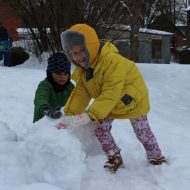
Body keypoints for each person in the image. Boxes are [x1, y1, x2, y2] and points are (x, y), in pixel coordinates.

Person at [60, 24, 166, 173]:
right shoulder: (84, 69)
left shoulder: (111, 61)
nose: (79, 56)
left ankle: (156, 157)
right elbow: (80, 94)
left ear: (91, 46)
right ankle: (114, 156)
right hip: (109, 103)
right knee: (100, 129)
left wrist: (90, 115)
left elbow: (110, 93)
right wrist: (69, 115)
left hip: (133, 99)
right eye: (74, 53)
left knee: (142, 133)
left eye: (83, 50)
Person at [33, 52, 74, 123]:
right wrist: (46, 109)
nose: (62, 77)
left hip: (60, 123)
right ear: (50, 73)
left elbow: (77, 100)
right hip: (42, 124)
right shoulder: (45, 85)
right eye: (58, 73)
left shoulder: (70, 87)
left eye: (66, 73)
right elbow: (40, 98)